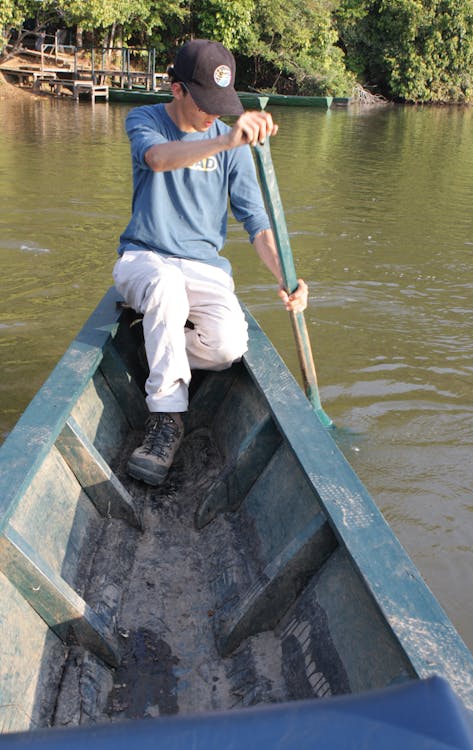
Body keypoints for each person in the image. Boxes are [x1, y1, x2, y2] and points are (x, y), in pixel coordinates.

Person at [113, 39, 308, 486]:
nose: (211, 115)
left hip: (203, 266)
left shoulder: (231, 143)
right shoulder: (145, 120)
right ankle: (166, 419)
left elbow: (258, 224)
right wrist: (224, 140)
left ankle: (153, 342)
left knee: (227, 348)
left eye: (220, 106)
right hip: (146, 256)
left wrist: (288, 278)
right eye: (204, 102)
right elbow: (159, 160)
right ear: (177, 88)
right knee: (164, 287)